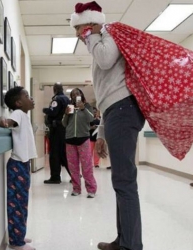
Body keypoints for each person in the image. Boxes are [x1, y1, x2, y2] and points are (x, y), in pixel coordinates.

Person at [70, 2, 145, 250]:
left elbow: (105, 60)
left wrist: (90, 36)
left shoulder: (110, 33)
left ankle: (131, 245)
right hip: (116, 111)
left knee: (124, 181)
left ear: (91, 25)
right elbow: (106, 94)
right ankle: (124, 240)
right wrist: (101, 132)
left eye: (82, 31)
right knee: (120, 181)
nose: (82, 38)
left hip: (123, 110)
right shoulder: (100, 42)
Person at [0, 86, 37, 250]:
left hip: (23, 164)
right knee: (17, 205)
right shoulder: (18, 114)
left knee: (22, 203)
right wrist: (3, 121)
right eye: (27, 96)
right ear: (18, 102)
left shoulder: (24, 115)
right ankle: (15, 242)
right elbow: (9, 123)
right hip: (17, 166)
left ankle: (19, 235)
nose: (31, 98)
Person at [62, 88, 97, 198]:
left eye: (77, 93)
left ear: (81, 94)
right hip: (70, 140)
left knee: (87, 166)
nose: (75, 95)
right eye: (73, 94)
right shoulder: (70, 107)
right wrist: (66, 114)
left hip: (83, 139)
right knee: (73, 167)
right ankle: (76, 189)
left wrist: (83, 109)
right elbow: (64, 124)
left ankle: (91, 189)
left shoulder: (87, 106)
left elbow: (91, 118)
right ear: (71, 97)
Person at [42, 83, 71, 184]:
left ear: (54, 89)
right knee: (64, 153)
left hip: (56, 129)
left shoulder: (57, 99)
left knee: (54, 154)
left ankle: (55, 177)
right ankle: (74, 175)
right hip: (65, 130)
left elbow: (53, 112)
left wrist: (45, 110)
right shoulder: (68, 99)